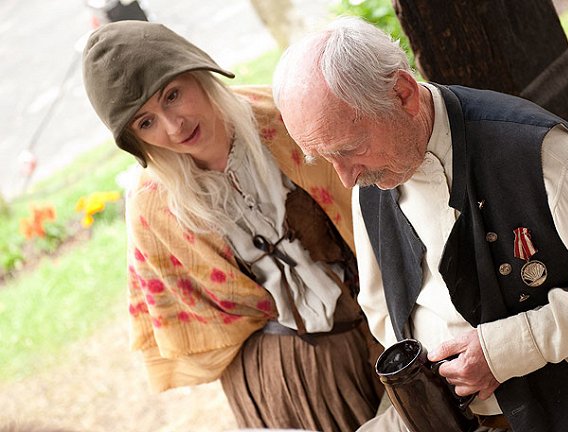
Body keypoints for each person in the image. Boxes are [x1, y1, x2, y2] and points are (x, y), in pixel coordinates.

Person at [272, 16, 568, 432]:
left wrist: (509, 348)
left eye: (349, 149)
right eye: (325, 158)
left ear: (403, 94)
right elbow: (382, 310)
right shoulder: (370, 175)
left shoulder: (545, 159)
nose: (345, 177)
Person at [81, 21, 383, 431]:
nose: (173, 127)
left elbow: (376, 203)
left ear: (197, 72)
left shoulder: (283, 118)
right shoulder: (153, 208)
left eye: (172, 96)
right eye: (145, 122)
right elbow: (193, 317)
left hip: (375, 321)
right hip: (281, 376)